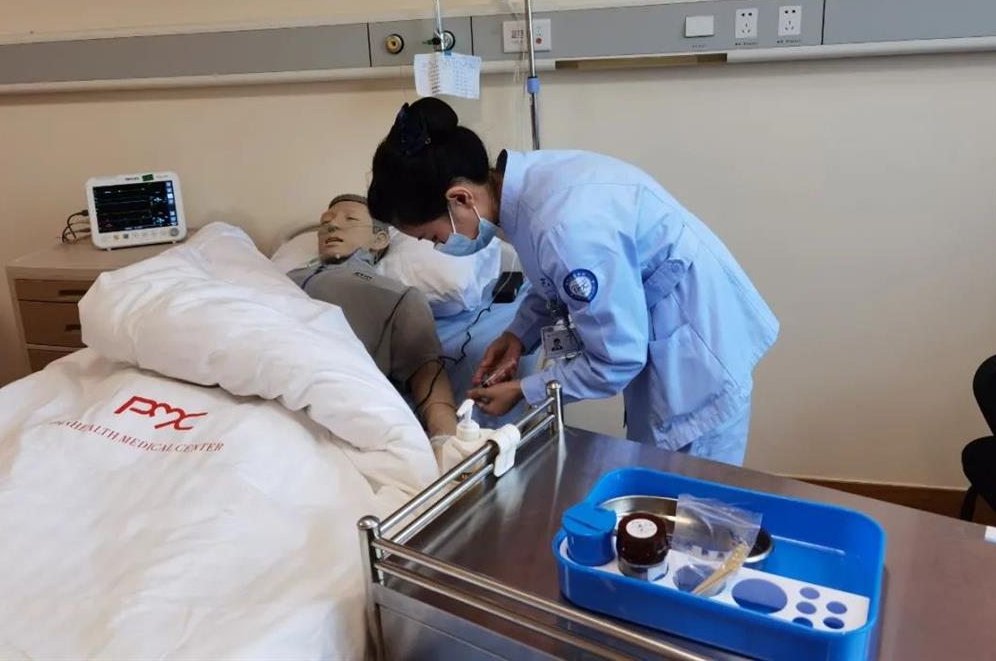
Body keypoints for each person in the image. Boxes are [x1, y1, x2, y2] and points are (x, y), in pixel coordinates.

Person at [367, 98, 779, 466]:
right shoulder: (526, 188)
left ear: (460, 198)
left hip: (696, 352)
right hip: (674, 325)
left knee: (691, 502)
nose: (441, 247)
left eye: (434, 237)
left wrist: (525, 390)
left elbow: (617, 359)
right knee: (662, 481)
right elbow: (552, 282)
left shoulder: (564, 227)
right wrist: (517, 336)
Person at [286, 194, 457, 438]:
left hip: (321, 405)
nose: (332, 225)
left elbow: (427, 371)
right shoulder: (274, 277)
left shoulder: (396, 297)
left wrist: (445, 437)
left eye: (350, 219)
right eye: (326, 221)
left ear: (379, 239)